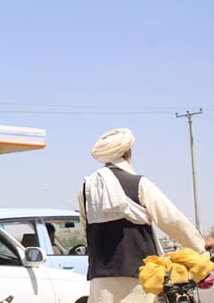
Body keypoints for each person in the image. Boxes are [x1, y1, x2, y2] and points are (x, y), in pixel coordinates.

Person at [78, 127, 214, 303]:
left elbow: (85, 230)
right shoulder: (139, 184)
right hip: (140, 275)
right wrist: (200, 247)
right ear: (128, 153)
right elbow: (172, 220)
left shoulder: (87, 189)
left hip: (101, 276)